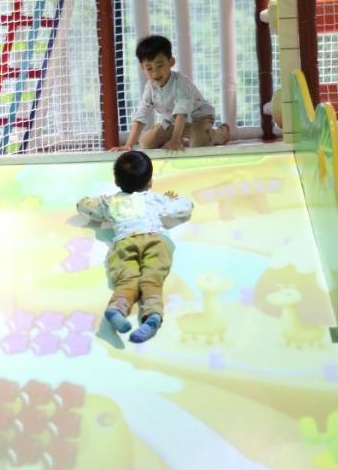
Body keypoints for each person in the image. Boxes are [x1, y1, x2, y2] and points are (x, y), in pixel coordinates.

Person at [77, 149, 193, 344]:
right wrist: (172, 200)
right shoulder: (156, 199)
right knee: (152, 279)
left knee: (126, 280)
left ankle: (117, 308)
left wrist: (86, 201)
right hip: (156, 240)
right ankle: (152, 315)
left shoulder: (111, 202)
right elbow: (185, 206)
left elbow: (84, 206)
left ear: (116, 181)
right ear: (150, 182)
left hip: (125, 241)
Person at [118, 34, 230, 152]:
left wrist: (175, 140)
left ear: (171, 62)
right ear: (142, 67)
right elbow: (141, 115)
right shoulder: (150, 87)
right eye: (149, 68)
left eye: (160, 66)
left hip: (198, 118)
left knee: (198, 145)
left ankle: (221, 133)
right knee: (146, 143)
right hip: (172, 123)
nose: (155, 73)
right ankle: (180, 137)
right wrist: (128, 145)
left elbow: (181, 113)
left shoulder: (181, 82)